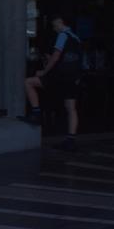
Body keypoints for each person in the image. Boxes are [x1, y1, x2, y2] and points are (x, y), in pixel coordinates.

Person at [22, 15, 83, 150]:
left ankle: (36, 114)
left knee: (29, 82)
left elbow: (55, 57)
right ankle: (71, 140)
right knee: (71, 108)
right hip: (72, 78)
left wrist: (44, 72)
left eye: (55, 25)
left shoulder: (62, 35)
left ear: (62, 23)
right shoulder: (77, 38)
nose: (54, 28)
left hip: (59, 76)